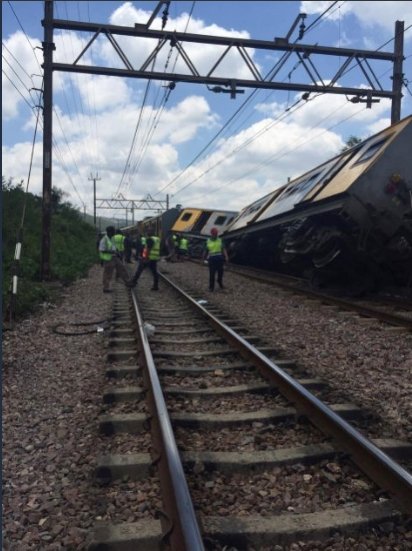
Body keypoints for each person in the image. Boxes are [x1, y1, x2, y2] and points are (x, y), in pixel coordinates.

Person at [99, 226, 131, 293]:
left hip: (115, 257)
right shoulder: (104, 240)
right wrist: (111, 252)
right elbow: (102, 250)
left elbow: (114, 247)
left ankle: (128, 282)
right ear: (109, 232)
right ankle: (106, 288)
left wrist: (117, 252)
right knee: (108, 273)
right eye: (113, 231)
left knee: (122, 268)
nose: (114, 232)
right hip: (108, 258)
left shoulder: (112, 238)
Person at [203, 227, 229, 291]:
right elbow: (205, 251)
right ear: (211, 234)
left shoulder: (220, 240)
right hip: (212, 259)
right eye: (214, 234)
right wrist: (203, 258)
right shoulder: (207, 241)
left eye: (216, 234)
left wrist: (226, 256)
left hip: (219, 258)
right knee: (212, 274)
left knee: (220, 272)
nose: (215, 235)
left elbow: (223, 249)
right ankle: (211, 287)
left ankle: (220, 283)